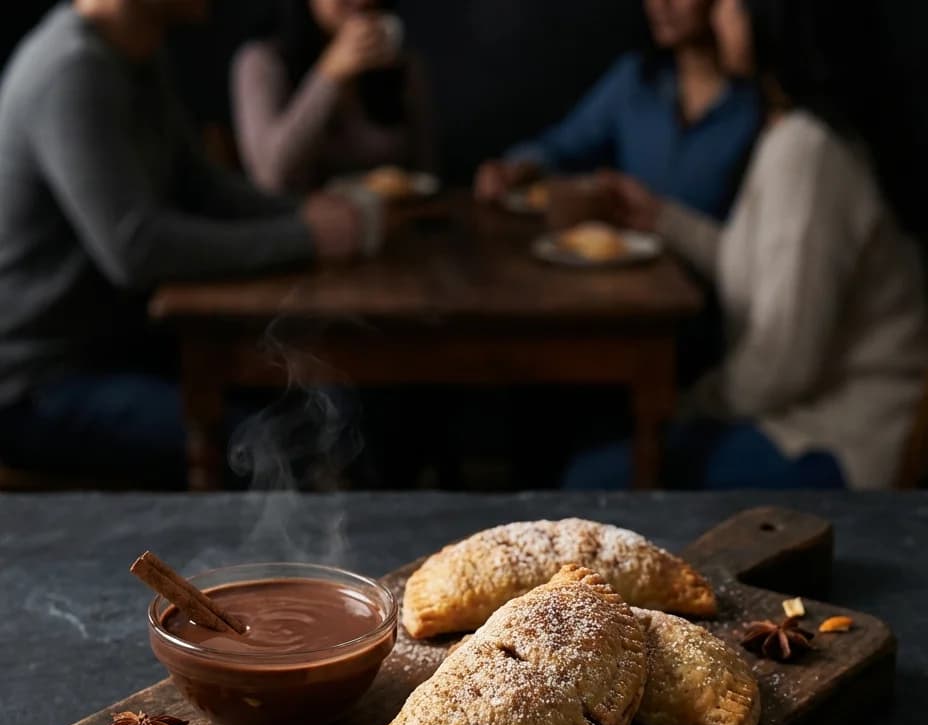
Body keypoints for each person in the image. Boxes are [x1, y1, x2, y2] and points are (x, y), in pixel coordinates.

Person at [0, 0, 372, 487]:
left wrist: (305, 215)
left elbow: (201, 185)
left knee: (335, 406)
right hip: (39, 384)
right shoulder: (71, 71)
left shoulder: (136, 52)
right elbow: (137, 250)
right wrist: (305, 236)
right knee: (275, 446)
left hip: (125, 347)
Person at [565, 0, 927, 491]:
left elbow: (783, 365)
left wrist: (690, 404)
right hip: (804, 416)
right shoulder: (794, 133)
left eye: (730, 6)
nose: (718, 19)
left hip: (840, 437)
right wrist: (660, 218)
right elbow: (757, 267)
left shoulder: (807, 150)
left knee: (595, 480)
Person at [474, 0, 761, 221]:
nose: (660, 4)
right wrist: (517, 169)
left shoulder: (760, 105)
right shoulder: (635, 80)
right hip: (632, 278)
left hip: (717, 288)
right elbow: (562, 145)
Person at [231, 0, 434, 195]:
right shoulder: (261, 61)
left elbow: (426, 171)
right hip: (302, 225)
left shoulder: (400, 64)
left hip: (394, 222)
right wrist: (330, 75)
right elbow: (271, 176)